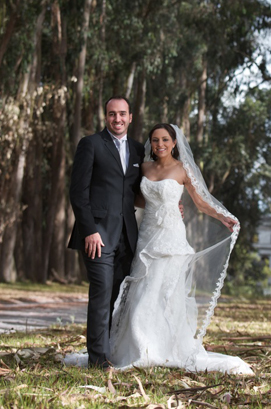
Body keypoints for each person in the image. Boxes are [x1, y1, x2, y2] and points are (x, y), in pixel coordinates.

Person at [108, 123, 254, 375]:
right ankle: (139, 347)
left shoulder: (182, 169)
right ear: (150, 144)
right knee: (142, 289)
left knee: (167, 291)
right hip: (147, 235)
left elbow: (201, 203)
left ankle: (165, 347)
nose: (160, 144)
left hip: (172, 237)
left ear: (174, 143)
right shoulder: (143, 168)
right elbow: (137, 199)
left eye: (165, 139)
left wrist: (223, 217)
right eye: (155, 140)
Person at [68, 96, 145, 369]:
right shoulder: (90, 145)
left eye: (122, 114)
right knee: (101, 293)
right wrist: (89, 230)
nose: (117, 119)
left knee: (116, 297)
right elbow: (78, 193)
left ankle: (109, 348)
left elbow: (138, 192)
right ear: (106, 116)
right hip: (98, 236)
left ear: (130, 117)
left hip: (127, 236)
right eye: (112, 114)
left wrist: (172, 204)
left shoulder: (138, 150)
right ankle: (98, 360)